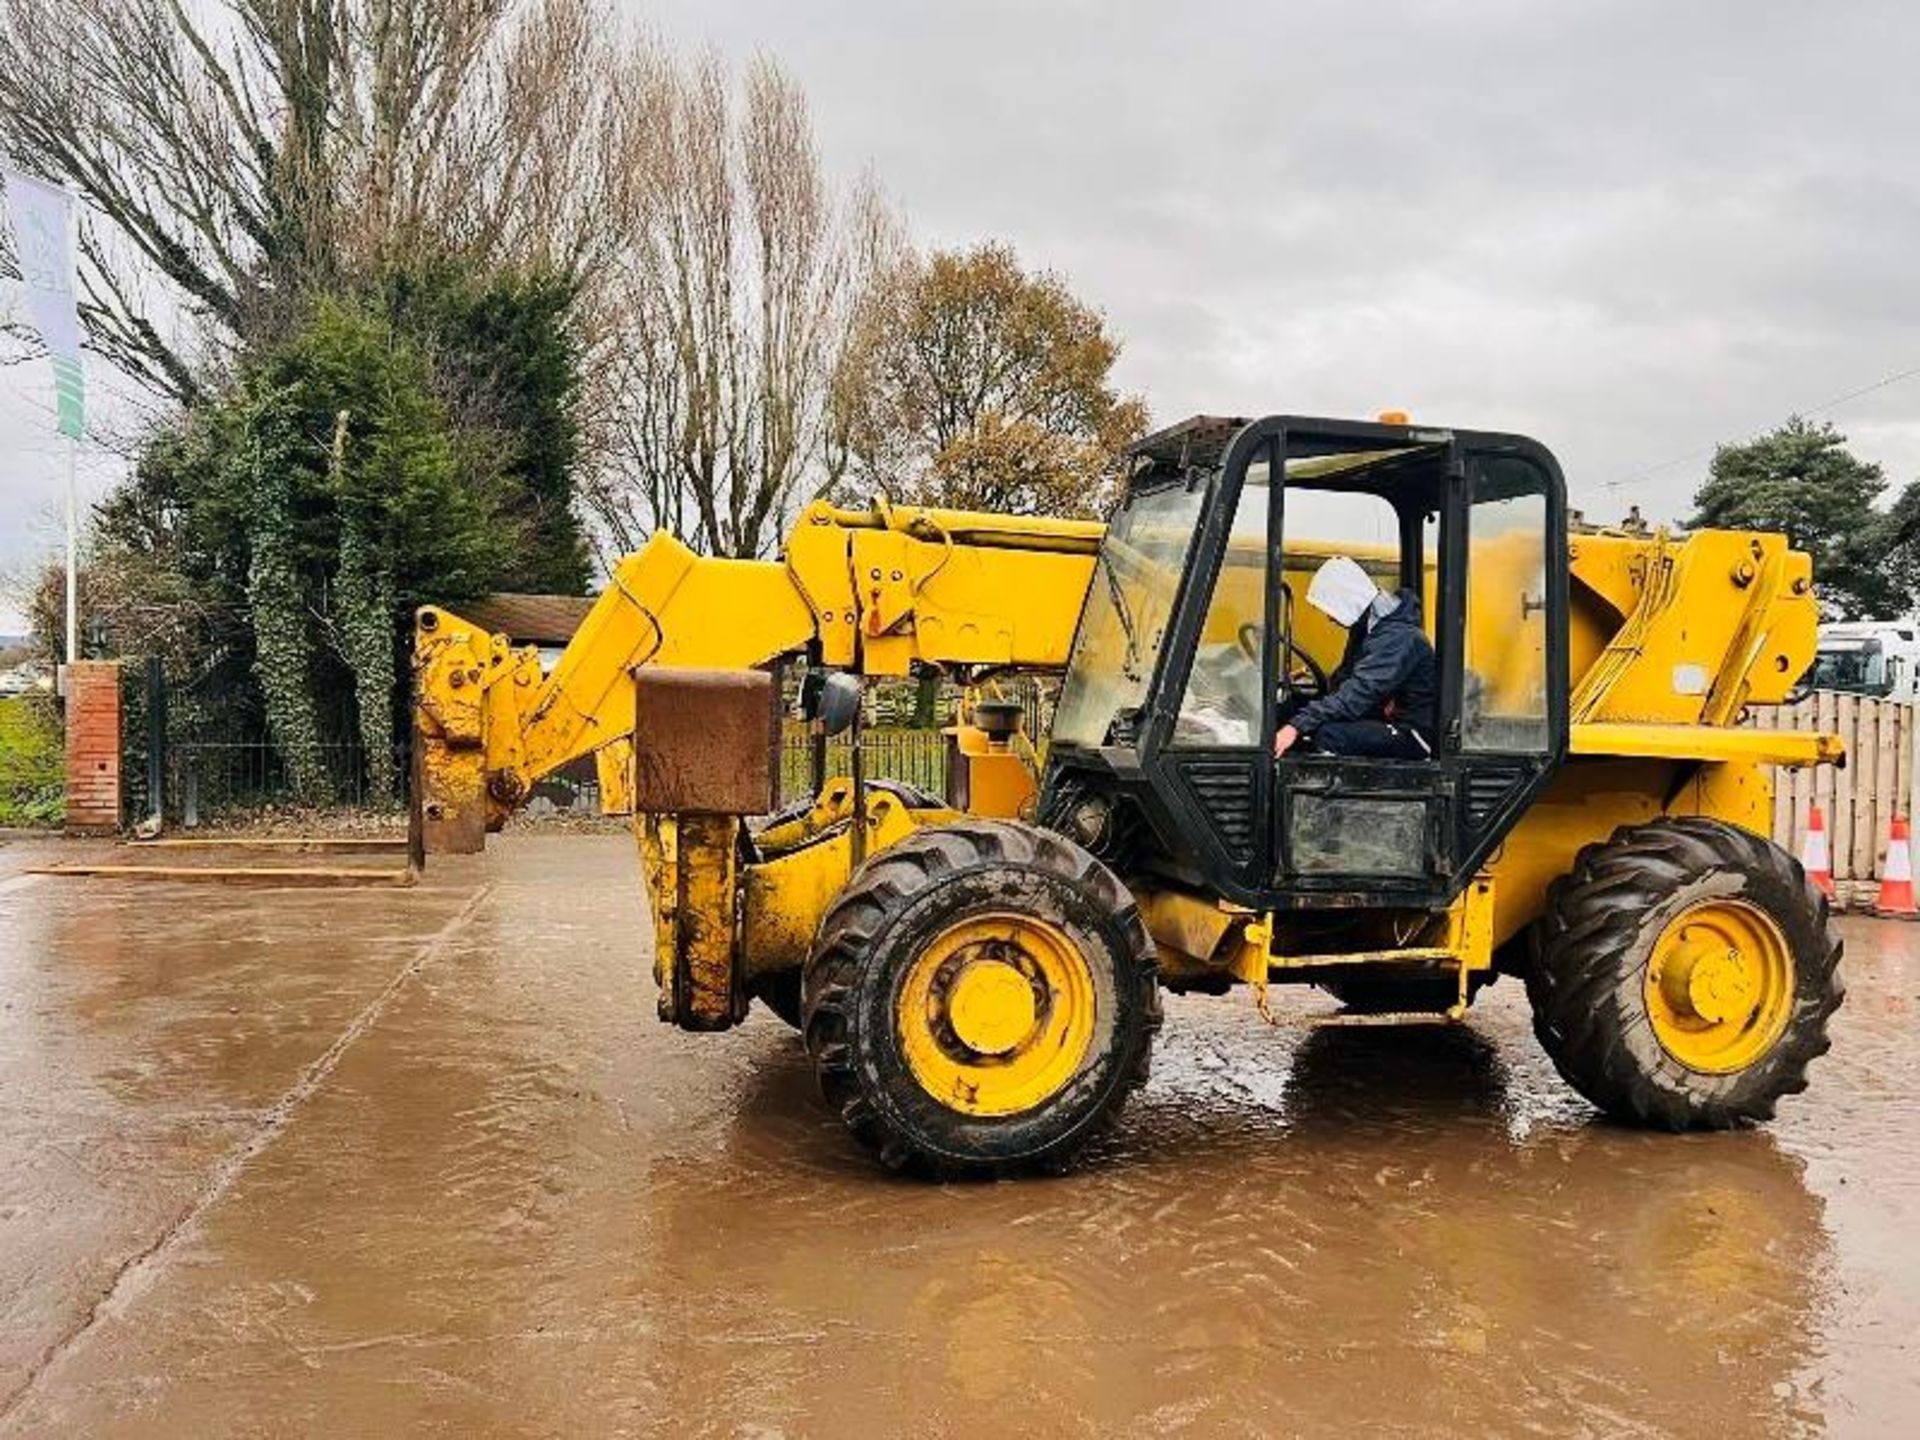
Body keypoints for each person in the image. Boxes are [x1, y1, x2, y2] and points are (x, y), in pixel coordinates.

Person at [1273, 555, 1437, 760]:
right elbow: (1344, 681)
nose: (1331, 618)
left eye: (1331, 610)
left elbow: (1358, 694)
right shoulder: (1368, 630)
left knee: (1330, 736)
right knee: (1290, 710)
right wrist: (1297, 713)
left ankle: (1315, 789)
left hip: (1414, 735)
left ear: (1347, 599)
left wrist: (1295, 727)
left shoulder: (1399, 638)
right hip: (1386, 718)